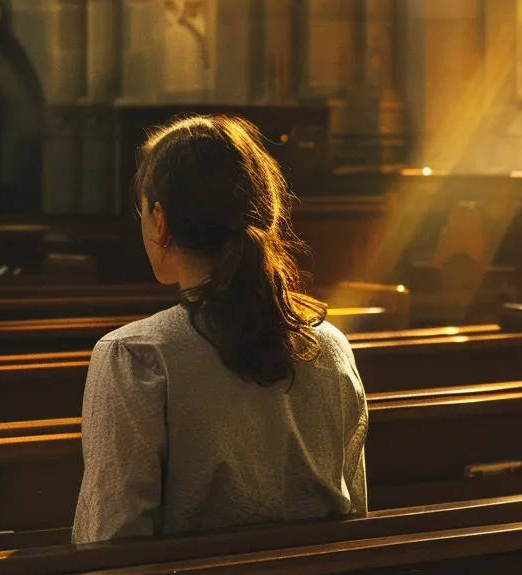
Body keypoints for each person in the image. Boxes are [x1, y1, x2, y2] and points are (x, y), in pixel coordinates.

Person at [72, 114, 368, 544]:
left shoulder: (136, 357)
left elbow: (109, 547)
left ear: (160, 221)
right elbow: (354, 518)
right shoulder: (330, 346)